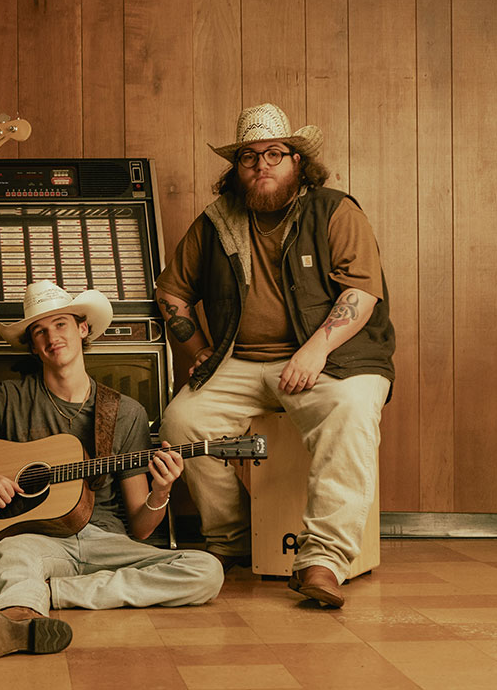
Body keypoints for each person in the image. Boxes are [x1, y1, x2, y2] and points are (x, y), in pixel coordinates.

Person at [0, 281, 223, 659]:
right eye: (40, 331)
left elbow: (141, 528)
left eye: (61, 324)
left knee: (206, 571)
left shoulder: (125, 412)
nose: (52, 337)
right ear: (33, 345)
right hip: (39, 541)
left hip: (108, 543)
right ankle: (16, 620)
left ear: (83, 329)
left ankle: (42, 593)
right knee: (11, 552)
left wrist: (161, 491)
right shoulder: (7, 399)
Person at [155, 103, 395, 608]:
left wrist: (315, 349)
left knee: (352, 410)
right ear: (237, 168)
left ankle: (323, 559)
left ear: (297, 161)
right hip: (239, 362)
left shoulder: (334, 210)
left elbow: (361, 293)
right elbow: (171, 292)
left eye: (274, 154)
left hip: (333, 359)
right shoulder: (215, 222)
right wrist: (197, 347)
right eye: (249, 157)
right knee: (182, 421)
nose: (261, 165)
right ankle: (231, 539)